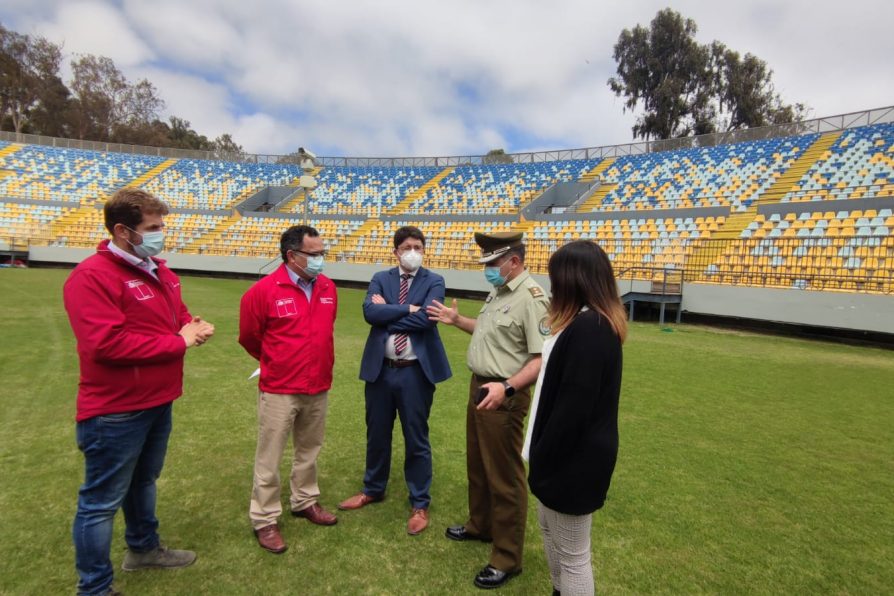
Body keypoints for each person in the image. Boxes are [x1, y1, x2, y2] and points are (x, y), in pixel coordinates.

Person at [63, 188, 215, 596]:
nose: (160, 233)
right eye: (152, 227)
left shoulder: (158, 270)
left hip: (156, 400)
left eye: (162, 225)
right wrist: (179, 342)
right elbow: (105, 344)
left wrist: (192, 325)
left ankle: (143, 549)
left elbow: (175, 318)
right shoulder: (93, 276)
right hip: (114, 410)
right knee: (100, 501)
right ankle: (94, 588)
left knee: (143, 481)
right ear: (122, 230)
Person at [427, 231, 549, 590]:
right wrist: (456, 320)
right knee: (478, 462)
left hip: (505, 391)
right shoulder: (501, 290)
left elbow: (541, 357)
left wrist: (508, 387)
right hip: (481, 385)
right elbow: (490, 332)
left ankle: (507, 557)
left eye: (493, 264)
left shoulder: (532, 298)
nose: (488, 270)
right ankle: (480, 525)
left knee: (504, 475)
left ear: (514, 261)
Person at [524, 240, 626, 596]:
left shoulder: (591, 330)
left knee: (574, 554)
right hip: (564, 457)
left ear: (573, 279)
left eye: (556, 278)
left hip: (574, 461)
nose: (552, 287)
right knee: (552, 535)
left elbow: (574, 408)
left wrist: (543, 455)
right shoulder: (584, 324)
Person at [338, 226, 452, 535]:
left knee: (416, 436)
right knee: (377, 432)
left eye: (418, 246)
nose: (413, 251)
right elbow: (369, 314)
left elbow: (427, 318)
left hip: (415, 371)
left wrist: (388, 310)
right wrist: (406, 308)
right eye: (407, 246)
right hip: (381, 369)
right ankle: (373, 488)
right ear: (396, 251)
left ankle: (419, 501)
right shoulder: (380, 278)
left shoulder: (434, 280)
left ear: (423, 250)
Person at [238, 225, 338, 554]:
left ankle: (304, 501)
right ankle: (265, 519)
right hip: (280, 387)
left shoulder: (327, 287)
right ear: (292, 256)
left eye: (323, 252)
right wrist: (278, 362)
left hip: (318, 385)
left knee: (309, 451)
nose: (321, 259)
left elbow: (324, 333)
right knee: (269, 457)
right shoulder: (263, 291)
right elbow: (251, 338)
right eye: (315, 254)